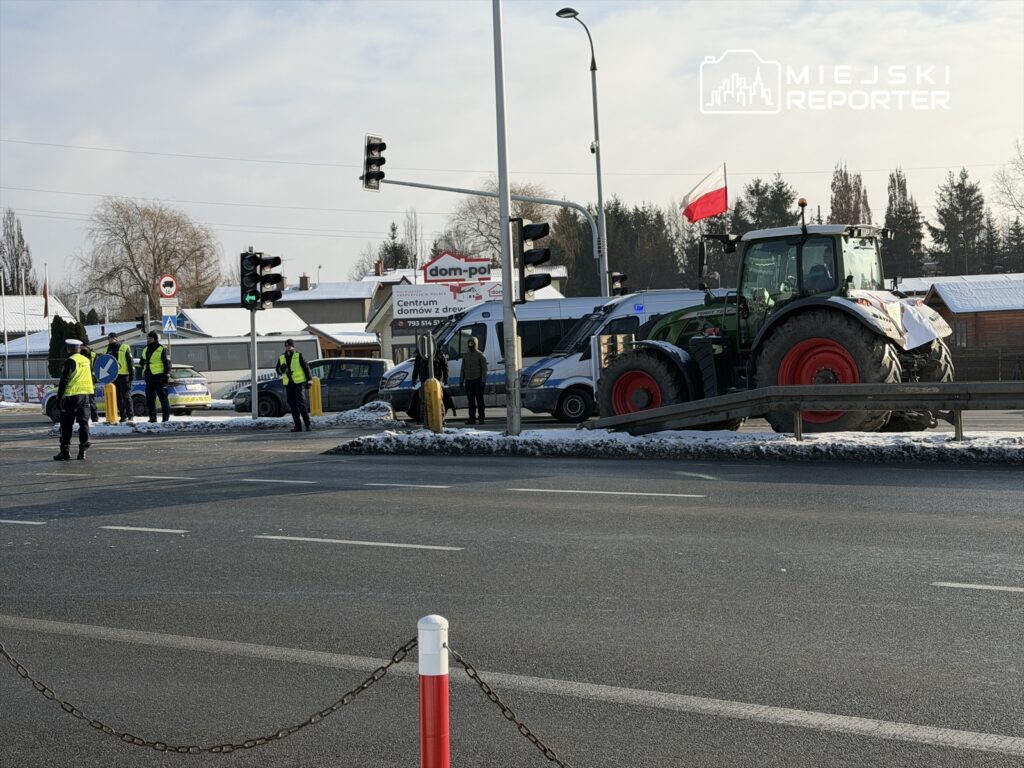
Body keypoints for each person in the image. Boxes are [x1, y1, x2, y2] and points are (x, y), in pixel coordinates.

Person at [54, 338, 94, 461]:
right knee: (84, 423)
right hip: (85, 396)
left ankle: (65, 451)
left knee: (66, 425)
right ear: (79, 348)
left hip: (71, 396)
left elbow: (64, 380)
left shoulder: (70, 361)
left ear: (68, 349)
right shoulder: (86, 360)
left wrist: (59, 397)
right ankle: (83, 450)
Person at [276, 339, 312, 432]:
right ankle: (298, 426)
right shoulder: (282, 357)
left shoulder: (298, 355)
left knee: (300, 403)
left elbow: (306, 368)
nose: (288, 347)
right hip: (289, 384)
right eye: (286, 346)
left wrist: (309, 380)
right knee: (292, 404)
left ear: (293, 346)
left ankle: (308, 424)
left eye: (289, 346)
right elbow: (277, 370)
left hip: (298, 383)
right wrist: (281, 369)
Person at [411, 346, 453, 423]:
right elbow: (416, 367)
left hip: (436, 380)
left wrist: (446, 377)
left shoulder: (438, 353)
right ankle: (423, 419)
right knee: (424, 400)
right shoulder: (420, 354)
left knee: (438, 399)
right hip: (424, 380)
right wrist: (414, 378)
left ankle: (441, 418)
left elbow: (445, 366)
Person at [140, 331, 171, 423]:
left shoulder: (162, 349)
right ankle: (152, 418)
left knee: (163, 399)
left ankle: (165, 419)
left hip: (160, 377)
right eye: (147, 339)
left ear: (155, 339)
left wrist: (166, 375)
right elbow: (142, 361)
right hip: (149, 377)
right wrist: (142, 362)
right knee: (150, 399)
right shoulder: (145, 349)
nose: (148, 340)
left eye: (150, 339)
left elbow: (168, 363)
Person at [105, 331, 134, 422]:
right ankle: (123, 416)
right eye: (108, 338)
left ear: (115, 338)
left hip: (123, 375)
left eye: (111, 338)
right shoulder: (107, 349)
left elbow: (130, 362)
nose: (109, 340)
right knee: (117, 397)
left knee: (126, 396)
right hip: (113, 377)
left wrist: (131, 375)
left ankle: (130, 415)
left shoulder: (124, 347)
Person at [461, 336, 487, 425]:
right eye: (469, 343)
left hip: (478, 380)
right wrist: (461, 380)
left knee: (480, 400)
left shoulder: (480, 355)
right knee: (471, 401)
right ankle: (472, 418)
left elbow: (484, 369)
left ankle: (481, 418)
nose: (470, 345)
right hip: (468, 381)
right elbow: (463, 369)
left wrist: (483, 381)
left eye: (472, 343)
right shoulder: (465, 355)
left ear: (476, 344)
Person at [79, 342, 100, 423]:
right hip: (81, 382)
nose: (82, 348)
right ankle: (83, 418)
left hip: (90, 382)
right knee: (82, 402)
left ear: (87, 346)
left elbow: (97, 368)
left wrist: (94, 379)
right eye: (81, 346)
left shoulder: (93, 355)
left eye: (83, 346)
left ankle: (95, 418)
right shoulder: (79, 355)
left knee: (91, 401)